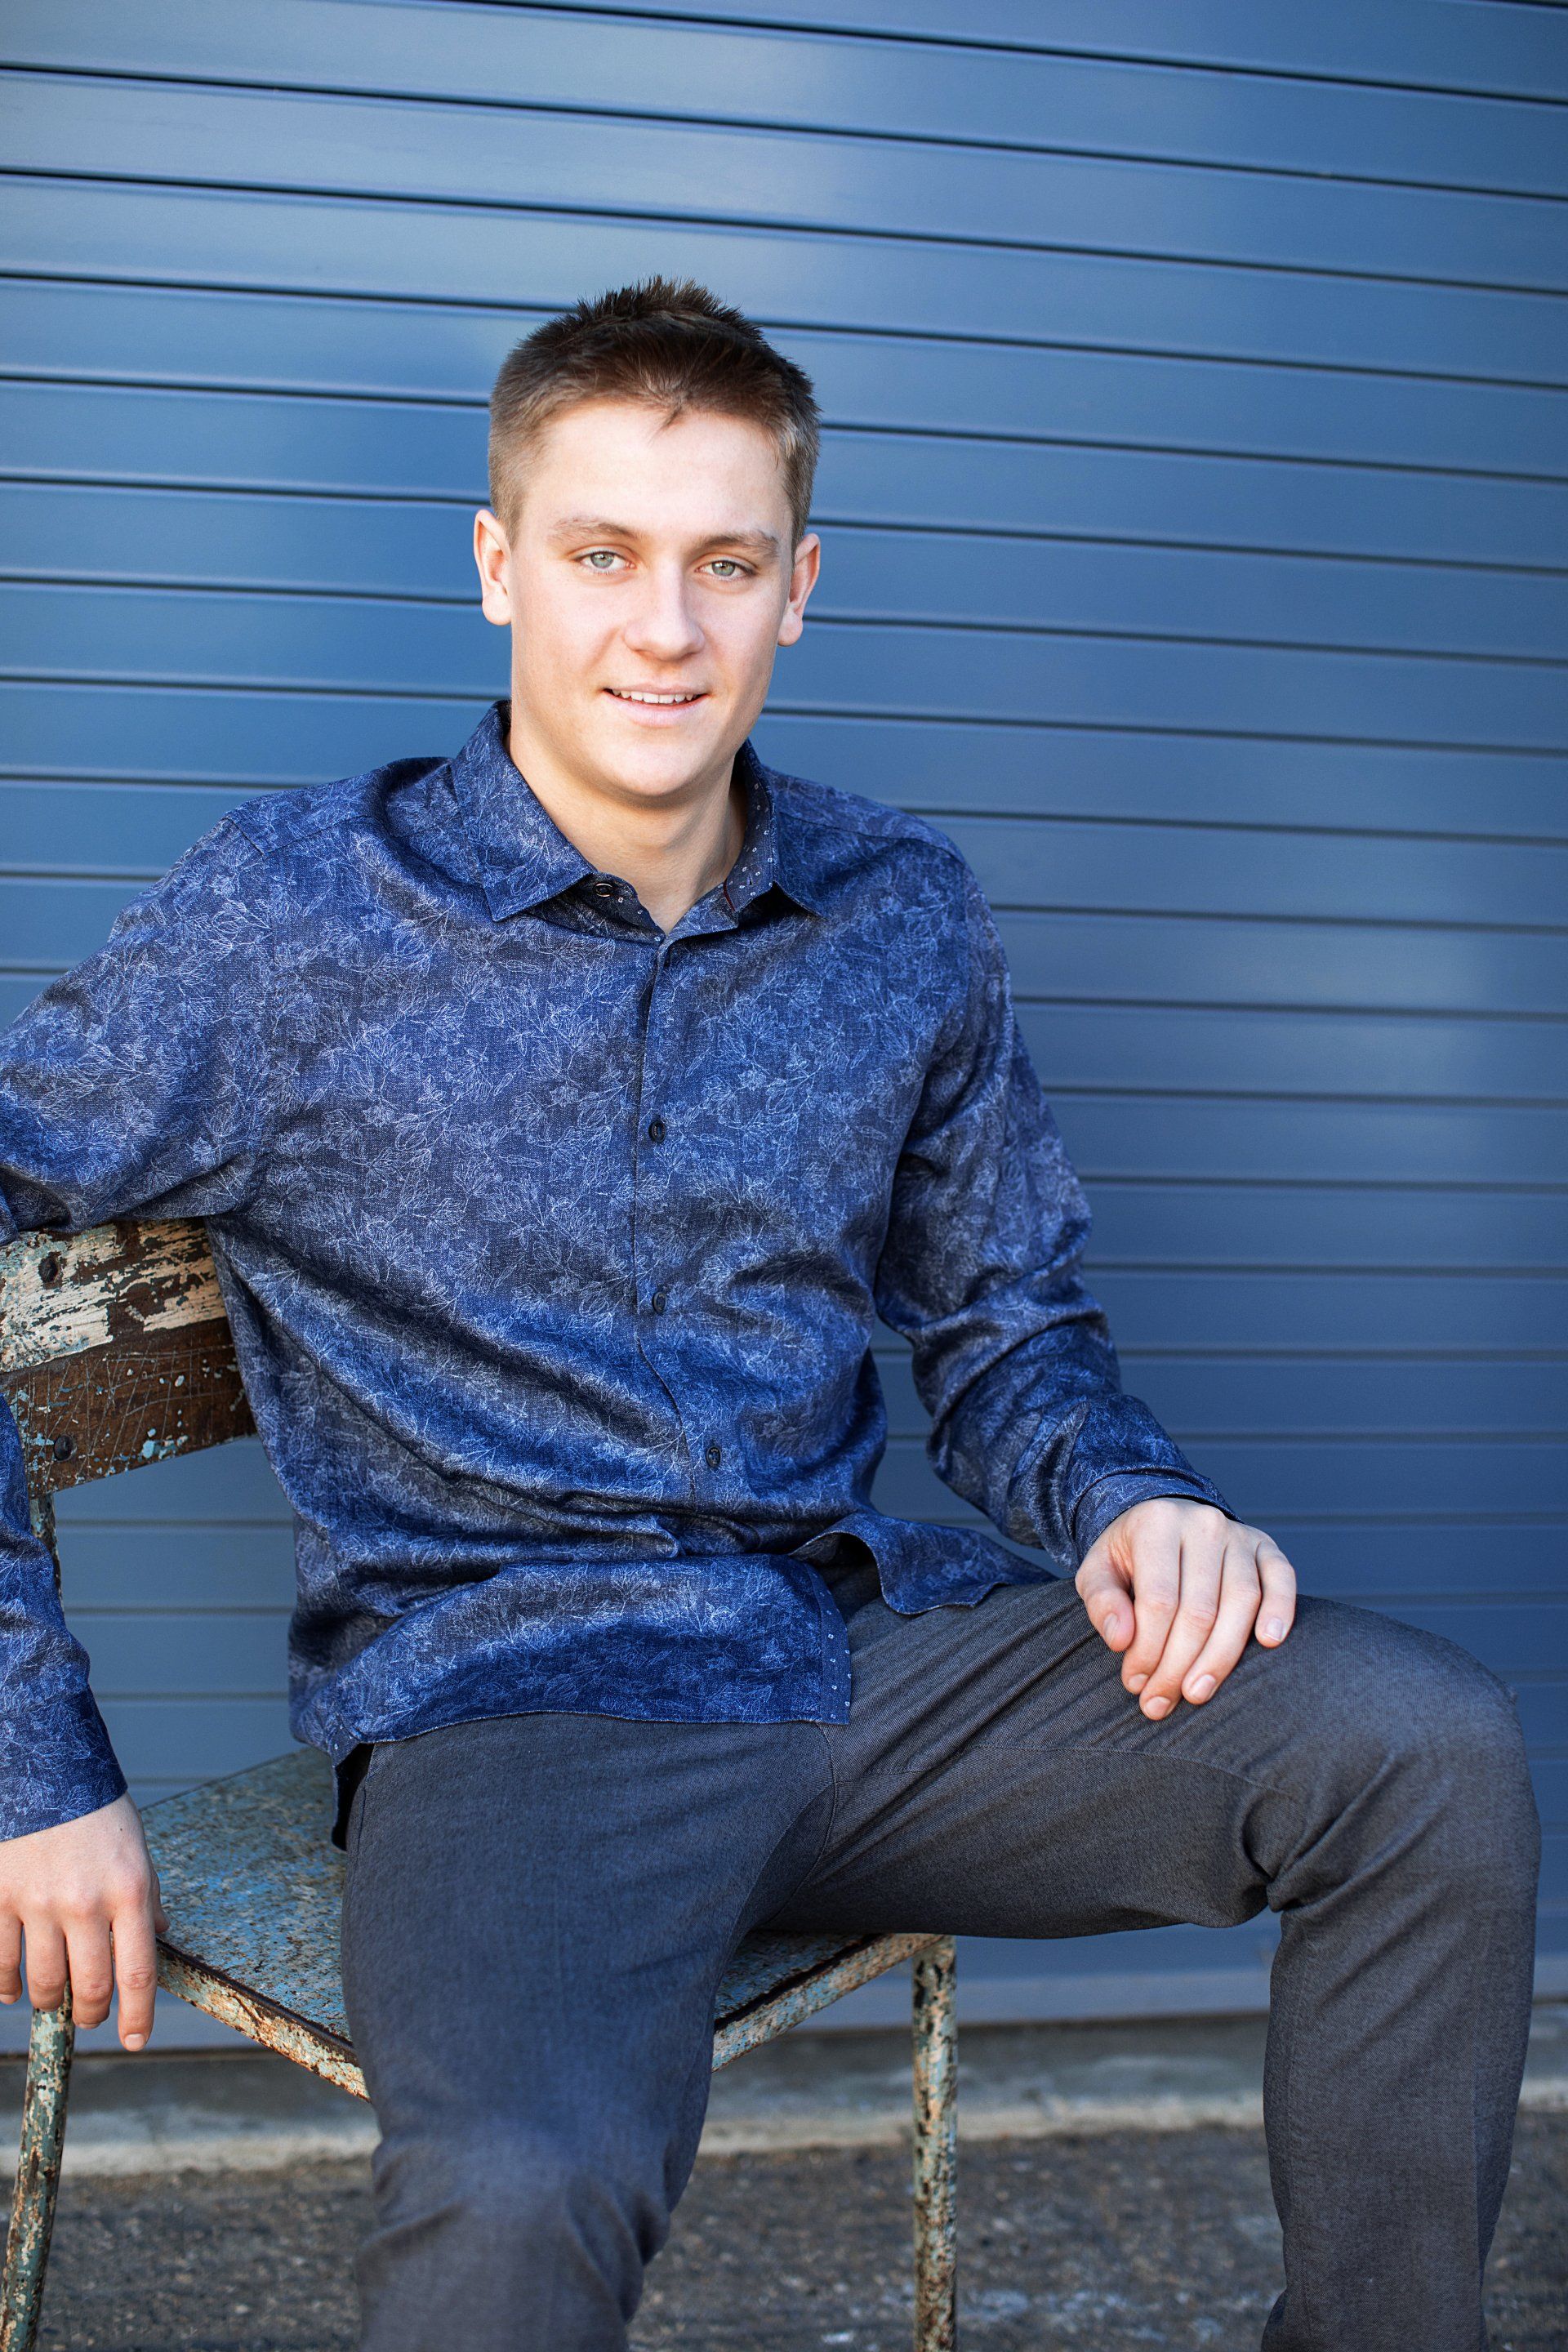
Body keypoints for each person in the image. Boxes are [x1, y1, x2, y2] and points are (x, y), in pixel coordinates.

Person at [0, 278, 1539, 2351]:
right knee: (516, 2185)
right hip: (512, 1701)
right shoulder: (289, 918)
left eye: (725, 563)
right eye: (603, 554)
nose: (665, 629)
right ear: (497, 567)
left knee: (1421, 1749)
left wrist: (1127, 1497)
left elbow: (1003, 1316)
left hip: (867, 1658)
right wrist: (34, 1755)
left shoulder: (899, 909)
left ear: (797, 586)